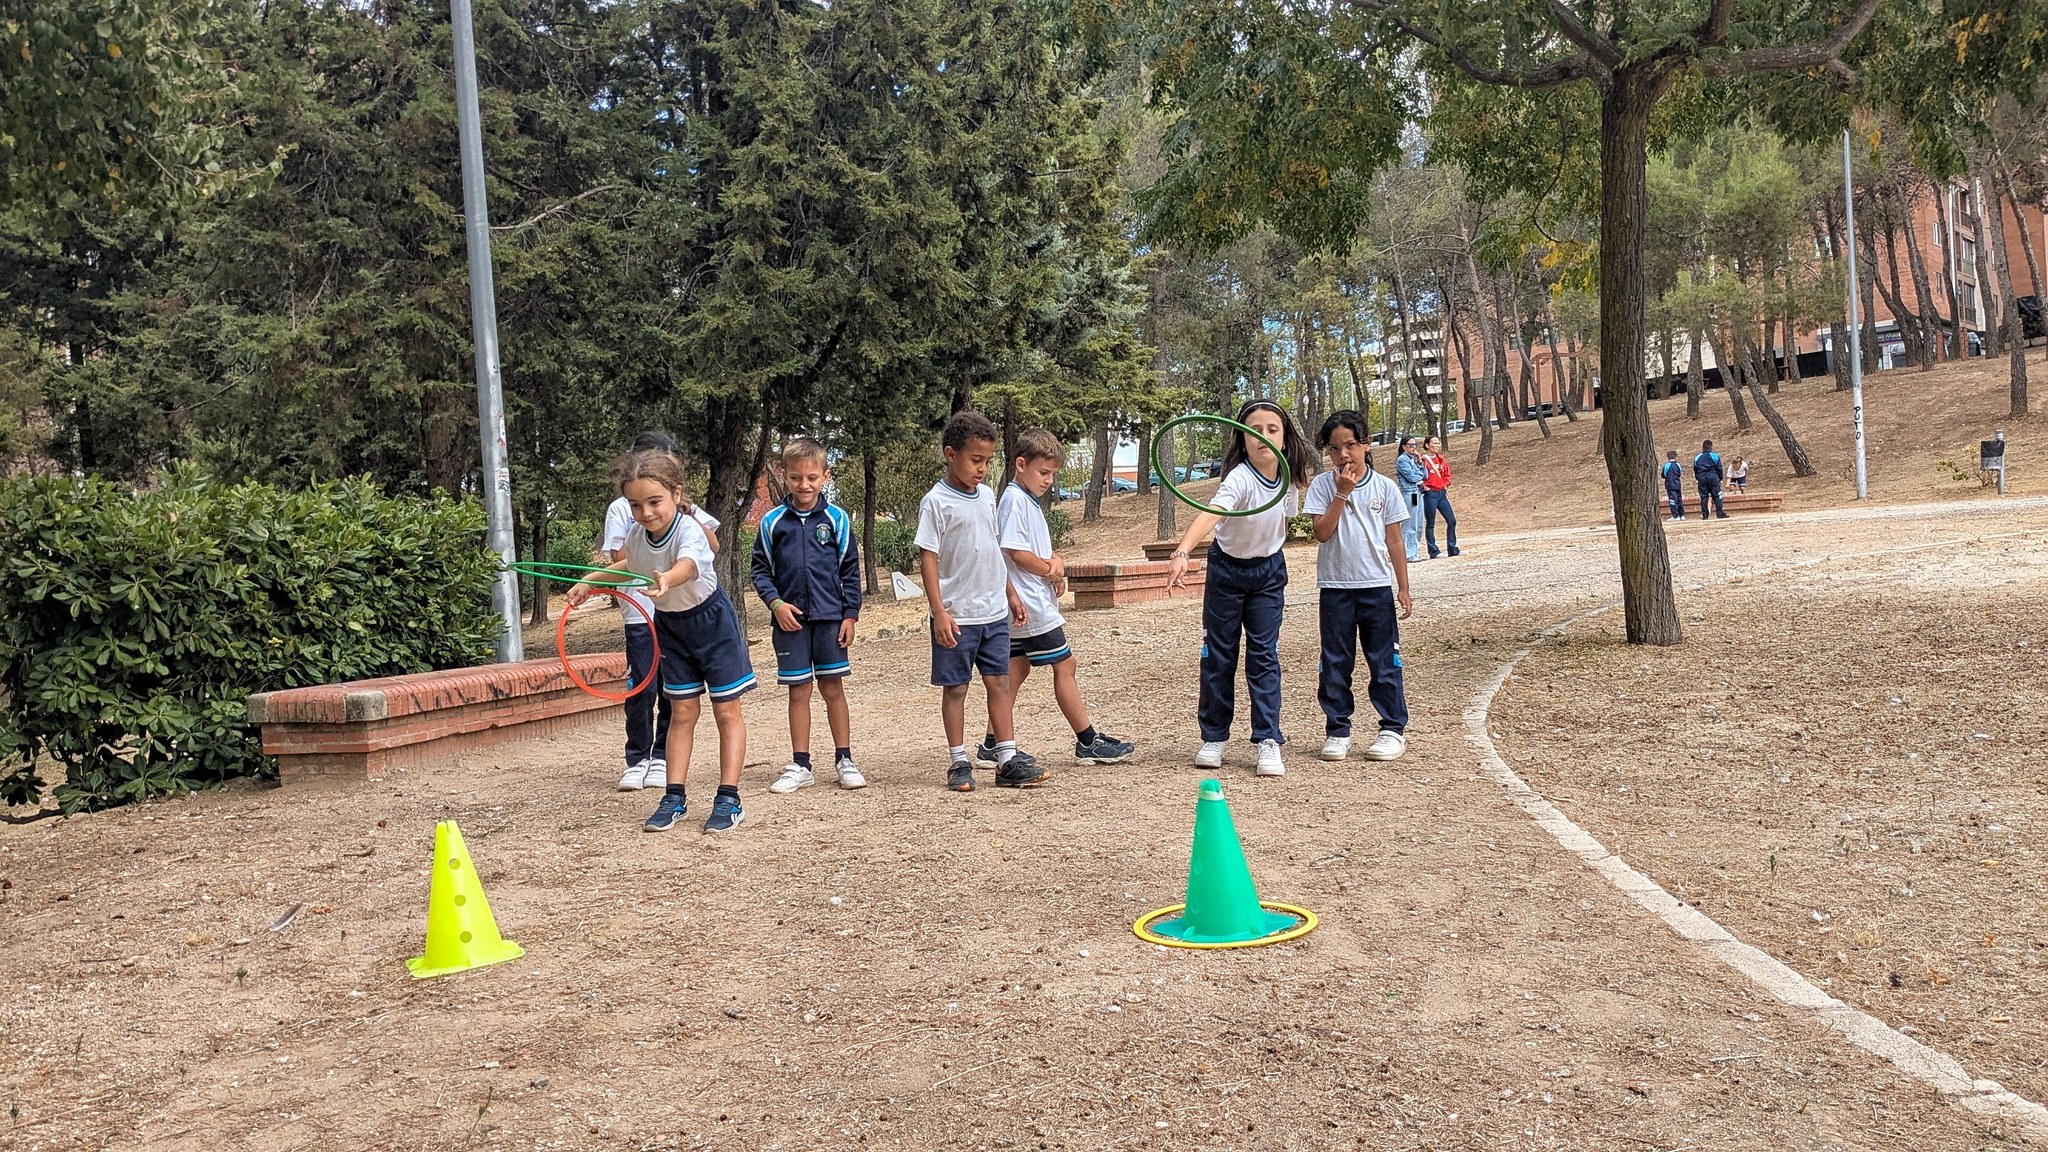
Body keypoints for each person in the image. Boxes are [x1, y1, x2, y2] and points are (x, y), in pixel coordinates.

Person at [570, 449, 755, 834]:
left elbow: (689, 565)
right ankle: (674, 796)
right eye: (636, 505)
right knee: (682, 713)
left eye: (654, 502)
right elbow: (628, 567)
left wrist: (669, 578)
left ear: (676, 493)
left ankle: (728, 797)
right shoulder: (638, 536)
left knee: (726, 711)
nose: (646, 513)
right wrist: (590, 583)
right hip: (671, 627)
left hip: (712, 625)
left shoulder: (689, 529)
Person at [1166, 400, 1317, 777]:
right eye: (1254, 430)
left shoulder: (1288, 478)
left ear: (1284, 438)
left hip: (1268, 574)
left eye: (1272, 429)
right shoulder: (1239, 478)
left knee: (1264, 655)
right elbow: (1212, 514)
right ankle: (1214, 736)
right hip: (1227, 572)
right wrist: (1183, 551)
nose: (1262, 436)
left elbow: (1284, 523)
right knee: (1219, 655)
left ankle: (1268, 738)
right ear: (1243, 439)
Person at [974, 429, 1135, 768]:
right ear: (1021, 464)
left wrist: (1053, 564)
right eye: (1043, 472)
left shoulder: (1024, 500)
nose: (1048, 480)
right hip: (1030, 605)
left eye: (1052, 474)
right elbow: (1016, 552)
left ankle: (992, 742)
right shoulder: (1015, 500)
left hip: (1027, 601)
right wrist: (1051, 569)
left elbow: (1029, 548)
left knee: (1015, 668)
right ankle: (1087, 740)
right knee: (1065, 665)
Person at [917, 410, 1046, 792]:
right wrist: (939, 612)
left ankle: (1006, 759)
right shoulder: (936, 502)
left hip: (993, 613)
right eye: (975, 460)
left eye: (988, 462)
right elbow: (928, 557)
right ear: (950, 454)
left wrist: (1010, 593)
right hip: (956, 616)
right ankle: (959, 762)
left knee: (1000, 683)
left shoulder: (988, 496)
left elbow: (992, 548)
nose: (983, 469)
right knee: (956, 688)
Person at [598, 430, 722, 793]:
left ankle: (663, 755)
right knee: (641, 685)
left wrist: (681, 519)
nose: (645, 511)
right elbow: (620, 558)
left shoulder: (681, 508)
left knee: (675, 687)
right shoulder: (625, 509)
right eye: (639, 505)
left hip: (675, 612)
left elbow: (709, 546)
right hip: (640, 610)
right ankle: (637, 757)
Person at [753, 438, 865, 795]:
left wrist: (850, 615)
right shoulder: (772, 522)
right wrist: (776, 605)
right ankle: (801, 764)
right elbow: (760, 571)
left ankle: (844, 759)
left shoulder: (837, 519)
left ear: (825, 476)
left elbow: (850, 570)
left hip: (831, 620)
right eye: (797, 477)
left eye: (812, 478)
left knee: (833, 688)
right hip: (790, 624)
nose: (805, 485)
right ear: (784, 476)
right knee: (798, 691)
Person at [1304, 411, 1413, 763]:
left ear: (1366, 444)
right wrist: (1341, 495)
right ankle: (1338, 730)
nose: (1343, 455)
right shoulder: (1324, 486)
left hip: (1376, 586)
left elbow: (1394, 541)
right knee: (1335, 661)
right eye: (1334, 449)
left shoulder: (1385, 487)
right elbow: (1322, 533)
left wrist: (1403, 586)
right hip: (1335, 588)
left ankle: (1392, 729)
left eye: (1350, 445)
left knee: (1384, 660)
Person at [1420, 435, 1460, 558]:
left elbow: (1446, 473)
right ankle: (1433, 551)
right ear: (1427, 445)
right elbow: (1418, 474)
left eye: (1438, 443)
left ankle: (1452, 548)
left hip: (1441, 493)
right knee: (1431, 523)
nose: (1437, 446)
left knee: (1452, 520)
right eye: (1434, 443)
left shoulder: (1441, 459)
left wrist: (1445, 484)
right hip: (1430, 494)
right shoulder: (1422, 460)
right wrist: (1424, 485)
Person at [1394, 436, 1427, 562]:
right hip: (1410, 493)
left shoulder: (1413, 459)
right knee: (1410, 524)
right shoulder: (1402, 460)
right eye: (1410, 445)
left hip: (1418, 492)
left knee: (1418, 524)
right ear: (1403, 446)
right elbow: (1412, 478)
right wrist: (1419, 475)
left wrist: (1419, 462)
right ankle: (1407, 553)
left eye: (1415, 445)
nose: (1413, 447)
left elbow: (1425, 476)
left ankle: (1414, 551)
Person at [1694, 439, 1728, 519]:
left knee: (1704, 496)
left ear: (1702, 447)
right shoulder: (1715, 456)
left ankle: (1705, 515)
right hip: (1712, 476)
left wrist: (1698, 477)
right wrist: (1720, 478)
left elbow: (1695, 469)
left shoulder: (1697, 457)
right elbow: (1719, 468)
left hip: (1702, 477)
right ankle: (1719, 513)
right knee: (1717, 495)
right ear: (1711, 447)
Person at [1661, 450, 1687, 520]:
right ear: (1676, 457)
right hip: (1677, 484)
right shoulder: (1678, 465)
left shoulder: (1666, 465)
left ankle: (1675, 516)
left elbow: (1663, 475)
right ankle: (1682, 515)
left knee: (1672, 500)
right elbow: (1680, 473)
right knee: (1679, 499)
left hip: (1670, 484)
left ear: (1667, 457)